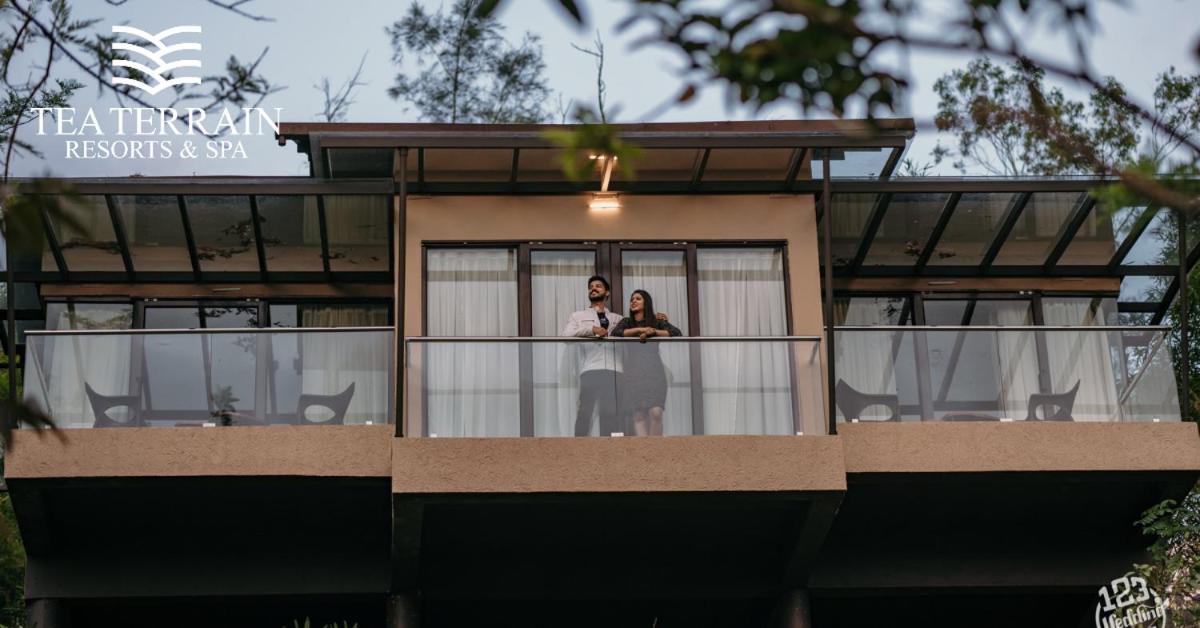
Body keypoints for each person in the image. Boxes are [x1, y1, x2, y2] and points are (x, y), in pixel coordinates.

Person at [610, 289, 682, 436]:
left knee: (656, 412)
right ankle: (642, 449)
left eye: (638, 298)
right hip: (633, 372)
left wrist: (654, 332)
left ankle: (655, 448)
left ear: (646, 302)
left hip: (654, 370)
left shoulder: (657, 321)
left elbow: (676, 333)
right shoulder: (627, 322)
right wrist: (641, 330)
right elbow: (615, 333)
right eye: (632, 299)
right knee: (638, 414)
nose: (633, 301)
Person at [561, 275, 625, 436]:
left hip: (614, 370)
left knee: (610, 412)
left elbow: (636, 329)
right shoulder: (578, 316)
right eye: (591, 287)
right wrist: (591, 330)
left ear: (607, 292)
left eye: (598, 286)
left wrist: (659, 320)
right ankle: (580, 446)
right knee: (585, 411)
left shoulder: (618, 319)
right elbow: (566, 336)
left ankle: (610, 447)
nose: (593, 288)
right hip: (590, 369)